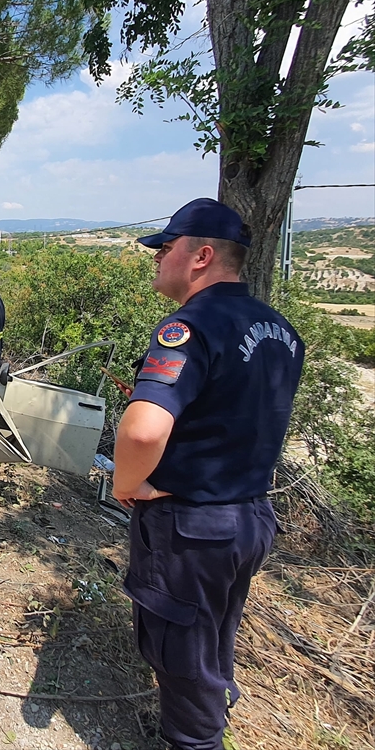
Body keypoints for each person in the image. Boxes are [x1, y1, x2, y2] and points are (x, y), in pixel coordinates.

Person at [113, 198, 303, 750]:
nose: (156, 260)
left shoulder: (189, 328)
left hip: (193, 528)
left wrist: (127, 486)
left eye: (164, 249)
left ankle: (196, 738)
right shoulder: (281, 330)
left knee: (181, 653)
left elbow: (144, 431)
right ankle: (208, 711)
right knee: (215, 632)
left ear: (200, 256)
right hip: (249, 519)